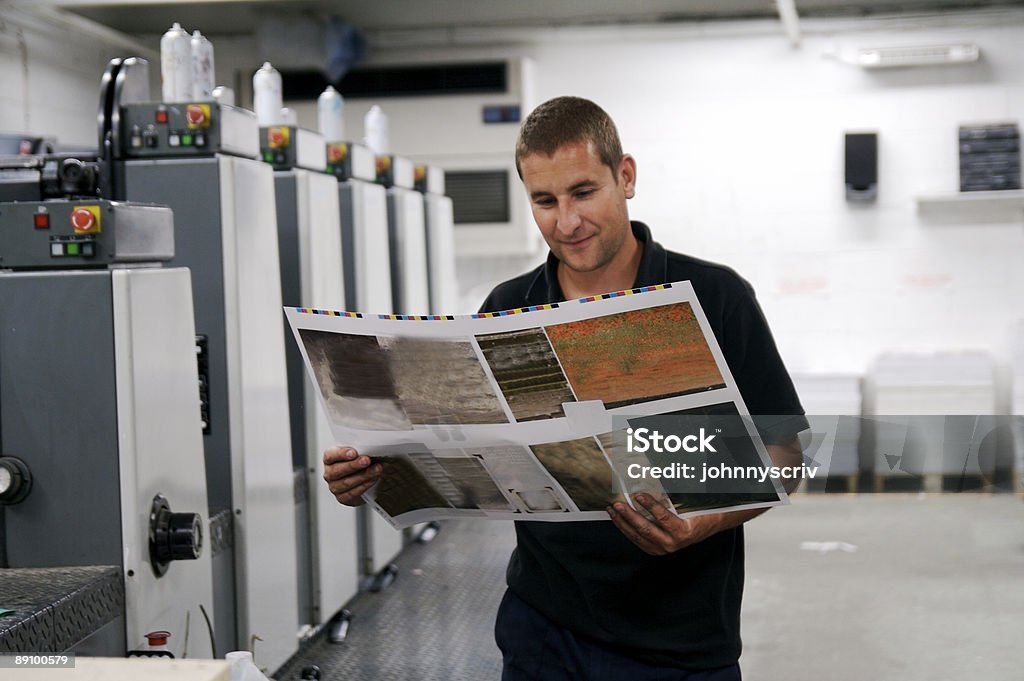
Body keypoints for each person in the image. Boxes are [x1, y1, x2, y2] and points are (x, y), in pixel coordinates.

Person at [323, 96, 808, 680]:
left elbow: (783, 455)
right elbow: (457, 452)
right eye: (544, 201)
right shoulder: (507, 309)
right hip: (542, 632)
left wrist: (698, 523)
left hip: (679, 642)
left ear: (624, 177)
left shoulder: (713, 297)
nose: (567, 222)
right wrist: (372, 474)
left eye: (583, 193)